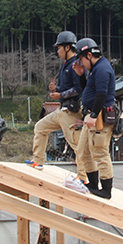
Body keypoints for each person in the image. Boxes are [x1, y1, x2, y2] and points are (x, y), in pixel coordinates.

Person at [29, 31, 84, 167]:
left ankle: (84, 177)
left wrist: (60, 95)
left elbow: (79, 89)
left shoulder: (76, 65)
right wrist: (57, 89)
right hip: (62, 109)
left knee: (76, 144)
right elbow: (66, 87)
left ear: (67, 47)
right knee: (40, 127)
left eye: (59, 47)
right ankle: (38, 161)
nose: (57, 51)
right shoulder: (65, 65)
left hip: (71, 111)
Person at [74, 38, 116, 198]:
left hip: (99, 116)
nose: (81, 63)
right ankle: (92, 184)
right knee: (83, 150)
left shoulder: (102, 69)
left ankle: (106, 190)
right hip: (92, 114)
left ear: (89, 55)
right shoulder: (96, 69)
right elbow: (88, 91)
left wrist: (92, 115)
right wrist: (80, 76)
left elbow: (101, 94)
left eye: (82, 60)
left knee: (100, 152)